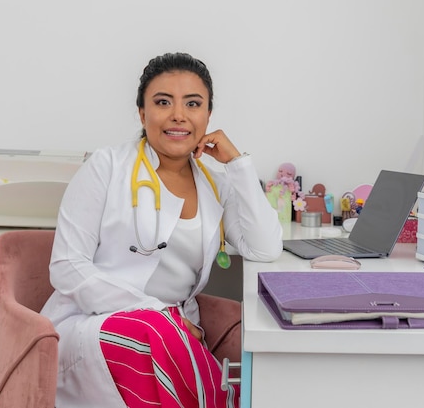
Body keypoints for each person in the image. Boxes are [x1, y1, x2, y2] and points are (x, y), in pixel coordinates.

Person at [40, 52, 283, 408]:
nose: (178, 115)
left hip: (176, 337)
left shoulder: (216, 184)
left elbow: (265, 248)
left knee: (157, 335)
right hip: (96, 325)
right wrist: (158, 314)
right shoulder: (106, 167)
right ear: (142, 113)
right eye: (163, 102)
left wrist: (237, 164)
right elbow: (66, 267)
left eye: (193, 103)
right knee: (147, 332)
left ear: (208, 115)